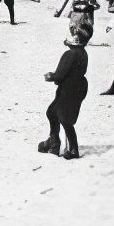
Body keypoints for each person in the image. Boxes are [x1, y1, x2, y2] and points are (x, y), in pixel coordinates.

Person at [38, 16, 91, 160]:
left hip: (69, 88)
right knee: (53, 112)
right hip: (77, 87)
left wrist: (52, 76)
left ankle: (72, 149)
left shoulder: (70, 54)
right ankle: (53, 141)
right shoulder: (83, 53)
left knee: (65, 119)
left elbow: (61, 73)